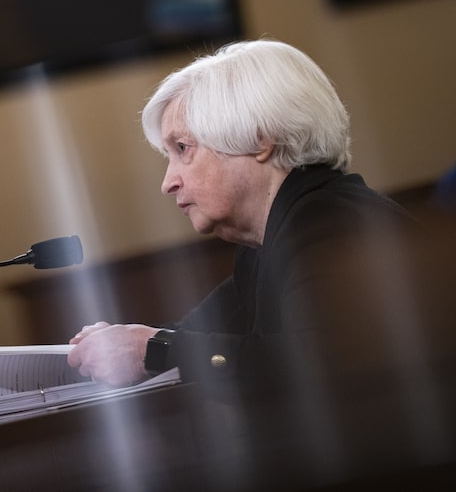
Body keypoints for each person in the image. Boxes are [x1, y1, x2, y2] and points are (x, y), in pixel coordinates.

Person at [65, 39, 455, 486]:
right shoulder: (271, 238)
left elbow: (312, 366)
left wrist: (152, 348)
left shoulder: (333, 224)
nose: (168, 182)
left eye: (182, 149)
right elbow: (195, 336)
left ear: (259, 139)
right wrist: (122, 345)